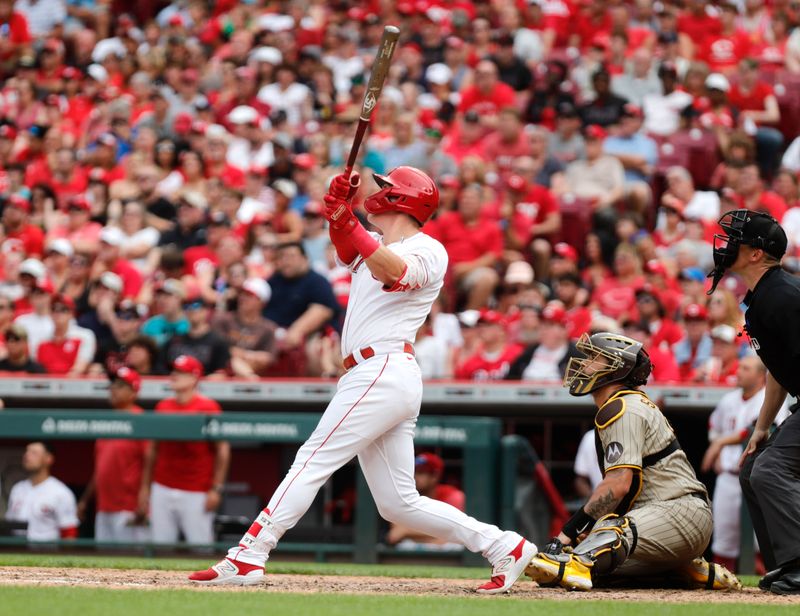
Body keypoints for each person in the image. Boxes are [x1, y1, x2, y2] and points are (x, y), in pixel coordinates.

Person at [189, 166, 536, 593]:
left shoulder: (428, 249)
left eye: (386, 187)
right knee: (398, 504)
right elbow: (351, 249)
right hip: (375, 374)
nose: (379, 190)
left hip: (383, 368)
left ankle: (249, 554)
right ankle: (506, 546)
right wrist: (337, 213)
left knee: (312, 461)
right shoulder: (372, 246)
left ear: (403, 199)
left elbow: (394, 271)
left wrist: (348, 218)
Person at [525, 332, 740, 591]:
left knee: (596, 542)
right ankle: (683, 571)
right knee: (601, 571)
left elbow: (618, 485)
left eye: (595, 358)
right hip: (662, 519)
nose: (585, 364)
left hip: (679, 512)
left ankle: (578, 562)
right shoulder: (626, 403)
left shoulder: (623, 408)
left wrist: (566, 534)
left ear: (617, 369)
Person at [709, 209, 800, 594]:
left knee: (770, 471)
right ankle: (787, 564)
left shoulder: (782, 296)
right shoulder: (765, 295)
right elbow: (778, 370)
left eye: (737, 240)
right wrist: (763, 428)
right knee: (754, 466)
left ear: (756, 253)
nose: (727, 246)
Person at [140, 355, 230, 546]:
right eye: (173, 371)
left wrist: (216, 488)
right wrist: (146, 488)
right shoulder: (162, 406)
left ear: (194, 378)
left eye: (181, 373)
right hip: (163, 485)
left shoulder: (208, 406)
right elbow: (152, 450)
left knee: (200, 547)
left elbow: (222, 450)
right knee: (160, 547)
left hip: (196, 488)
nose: (174, 376)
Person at [701, 356, 770, 573]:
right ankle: (724, 589)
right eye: (739, 366)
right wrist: (718, 448)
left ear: (761, 376)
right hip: (729, 477)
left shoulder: (769, 399)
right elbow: (714, 427)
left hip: (757, 479)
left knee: (761, 544)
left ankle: (771, 596)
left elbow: (753, 431)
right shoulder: (728, 400)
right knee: (724, 542)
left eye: (746, 368)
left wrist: (721, 443)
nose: (738, 371)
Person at [77, 367, 149, 543]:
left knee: (132, 563)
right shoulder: (107, 421)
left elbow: (150, 463)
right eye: (112, 385)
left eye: (120, 386)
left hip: (129, 506)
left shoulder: (142, 420)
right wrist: (86, 499)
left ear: (133, 392)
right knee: (105, 563)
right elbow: (101, 467)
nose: (113, 389)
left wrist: (144, 498)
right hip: (104, 506)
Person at [386, 453, 466, 547]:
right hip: (414, 549)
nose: (415, 477)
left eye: (420, 473)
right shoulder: (403, 496)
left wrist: (407, 531)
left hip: (446, 551)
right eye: (413, 472)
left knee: (452, 545)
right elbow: (395, 534)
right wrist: (435, 535)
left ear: (434, 476)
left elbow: (455, 533)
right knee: (406, 545)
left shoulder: (452, 496)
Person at [5, 441, 79, 542]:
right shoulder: (17, 489)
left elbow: (69, 533)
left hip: (47, 552)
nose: (27, 456)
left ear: (48, 459)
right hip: (16, 551)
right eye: (27, 452)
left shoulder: (61, 492)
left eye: (34, 453)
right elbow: (8, 525)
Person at [212, 278, 276, 379]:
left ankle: (245, 377)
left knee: (237, 361)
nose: (243, 298)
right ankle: (250, 378)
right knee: (232, 360)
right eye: (242, 294)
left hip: (252, 369)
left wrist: (244, 355)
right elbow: (219, 349)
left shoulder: (268, 328)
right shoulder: (223, 320)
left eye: (249, 295)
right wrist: (251, 356)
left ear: (262, 302)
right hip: (222, 372)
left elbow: (267, 358)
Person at [162, 293, 231, 378]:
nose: (190, 310)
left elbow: (221, 372)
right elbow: (161, 369)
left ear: (206, 311)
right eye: (186, 306)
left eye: (196, 306)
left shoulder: (219, 342)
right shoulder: (174, 341)